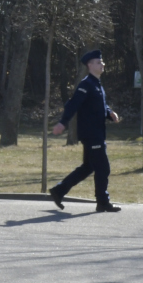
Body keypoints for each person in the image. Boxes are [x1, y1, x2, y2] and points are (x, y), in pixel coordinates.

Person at [49, 50, 122, 212]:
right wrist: (62, 123)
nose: (102, 64)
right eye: (98, 62)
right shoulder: (86, 84)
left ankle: (59, 191)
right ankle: (102, 202)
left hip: (97, 133)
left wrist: (110, 113)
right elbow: (73, 105)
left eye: (102, 62)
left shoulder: (97, 84)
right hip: (91, 134)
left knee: (88, 166)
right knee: (103, 168)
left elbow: (98, 106)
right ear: (89, 65)